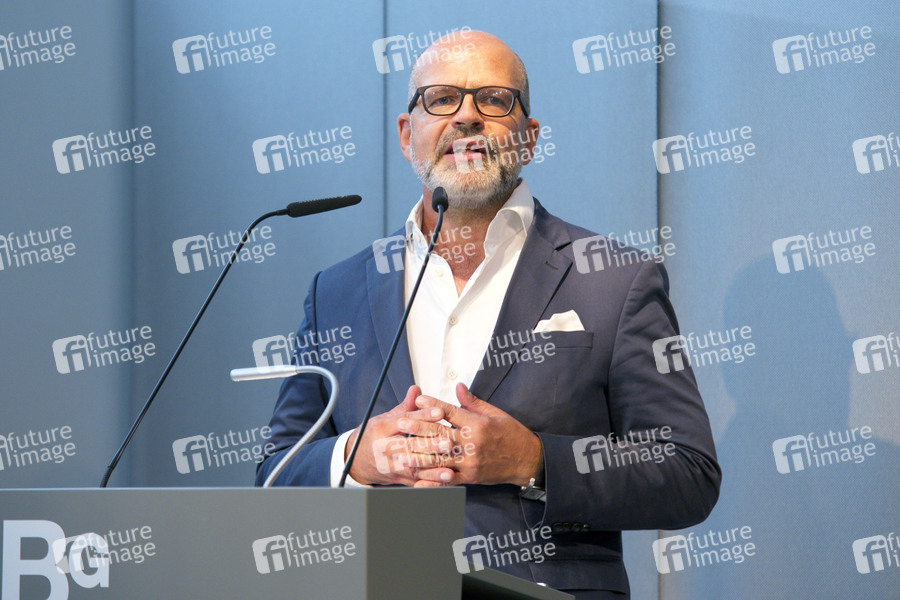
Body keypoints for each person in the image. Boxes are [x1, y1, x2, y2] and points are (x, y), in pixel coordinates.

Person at [258, 31, 721, 599]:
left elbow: (687, 473)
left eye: (495, 100)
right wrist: (357, 459)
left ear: (529, 138)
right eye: (441, 99)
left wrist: (535, 460)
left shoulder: (614, 279)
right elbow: (275, 475)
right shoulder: (336, 291)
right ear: (406, 134)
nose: (467, 117)